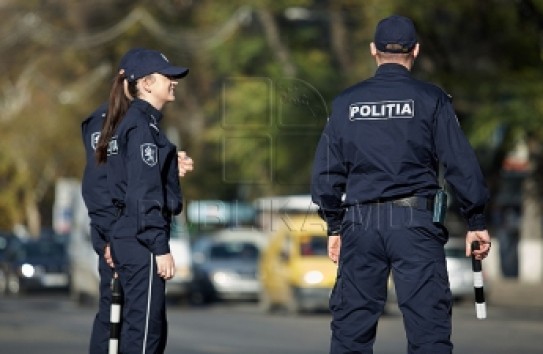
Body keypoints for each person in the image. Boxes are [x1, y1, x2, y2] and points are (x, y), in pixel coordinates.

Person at [310, 15, 492, 354]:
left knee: (351, 333)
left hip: (360, 225)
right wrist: (476, 221)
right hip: (415, 226)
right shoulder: (430, 98)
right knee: (428, 334)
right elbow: (459, 162)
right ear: (416, 51)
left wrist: (335, 226)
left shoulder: (346, 103)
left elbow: (325, 174)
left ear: (373, 51)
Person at [82, 48, 194, 354]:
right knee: (143, 332)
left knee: (140, 326)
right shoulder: (141, 125)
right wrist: (159, 246)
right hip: (139, 238)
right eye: (167, 77)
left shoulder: (137, 124)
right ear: (145, 84)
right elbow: (141, 192)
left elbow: (134, 178)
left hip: (130, 234)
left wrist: (170, 160)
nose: (174, 82)